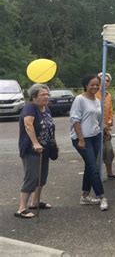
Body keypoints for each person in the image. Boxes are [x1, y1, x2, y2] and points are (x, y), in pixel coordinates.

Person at [15, 84, 57, 219]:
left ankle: (35, 202)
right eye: (42, 95)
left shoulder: (46, 109)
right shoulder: (30, 108)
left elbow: (50, 127)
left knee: (42, 176)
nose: (46, 97)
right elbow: (28, 125)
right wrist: (35, 143)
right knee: (31, 177)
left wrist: (53, 142)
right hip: (31, 149)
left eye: (47, 94)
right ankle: (21, 208)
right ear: (34, 96)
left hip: (45, 148)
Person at [70, 74, 108, 211]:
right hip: (82, 138)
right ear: (86, 85)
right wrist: (80, 139)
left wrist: (105, 131)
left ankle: (85, 196)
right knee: (94, 167)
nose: (95, 87)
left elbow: (97, 119)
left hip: (95, 136)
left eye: (97, 84)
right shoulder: (79, 99)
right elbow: (75, 120)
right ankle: (102, 196)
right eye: (92, 84)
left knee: (90, 166)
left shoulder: (97, 100)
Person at [96, 72, 115, 179]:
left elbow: (110, 110)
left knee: (109, 151)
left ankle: (110, 173)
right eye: (103, 80)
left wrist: (110, 121)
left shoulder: (108, 95)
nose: (105, 82)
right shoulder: (95, 94)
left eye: (108, 81)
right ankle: (96, 176)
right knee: (98, 154)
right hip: (96, 129)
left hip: (106, 129)